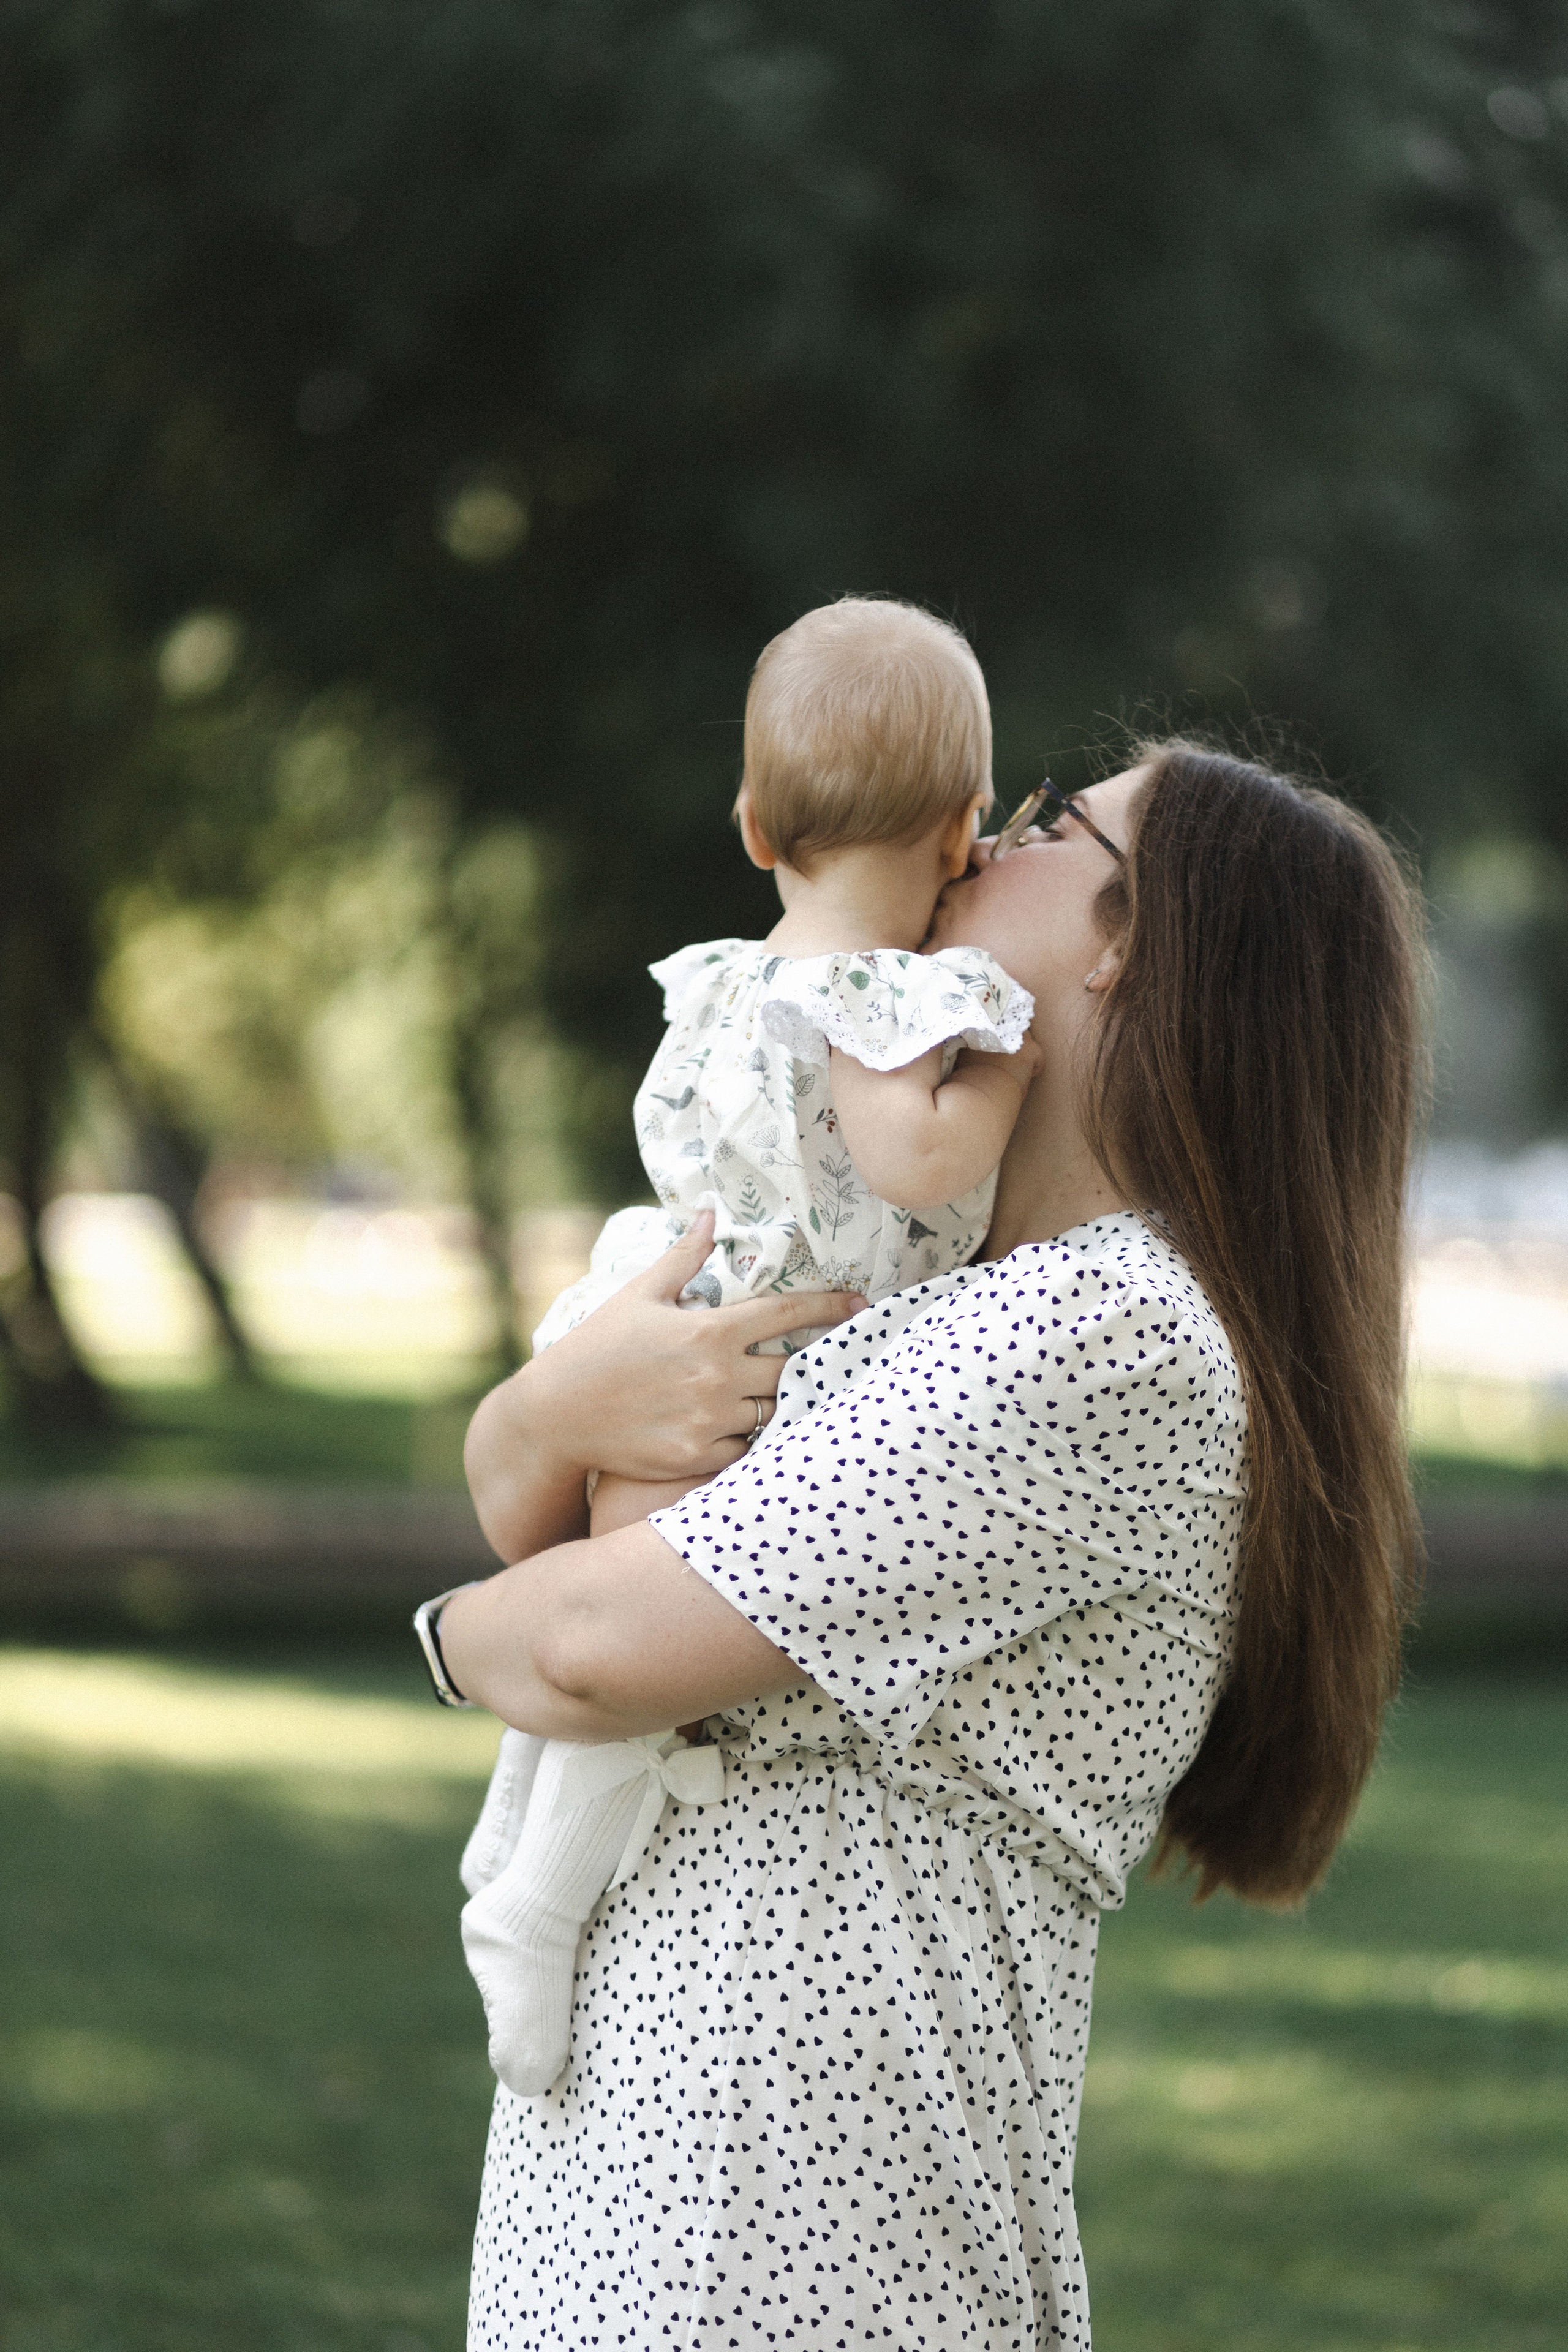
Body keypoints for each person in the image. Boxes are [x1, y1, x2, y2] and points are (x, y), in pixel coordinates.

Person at [432, 740, 1427, 2352]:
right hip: (646, 2191)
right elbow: (550, 1500)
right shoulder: (930, 1284)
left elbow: (588, 1645)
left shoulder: (1117, 1332)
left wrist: (454, 1631)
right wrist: (548, 1433)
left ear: (1130, 941)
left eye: (1049, 823)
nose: (977, 843)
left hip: (800, 2244)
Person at [460, 597, 1039, 2099]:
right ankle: (531, 1897)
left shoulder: (738, 970)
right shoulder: (889, 996)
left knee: (586, 1593)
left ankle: (512, 1846)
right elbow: (909, 1166)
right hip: (755, 1360)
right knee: (618, 1640)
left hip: (663, 1313)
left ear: (751, 825)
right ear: (964, 829)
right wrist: (997, 1072)